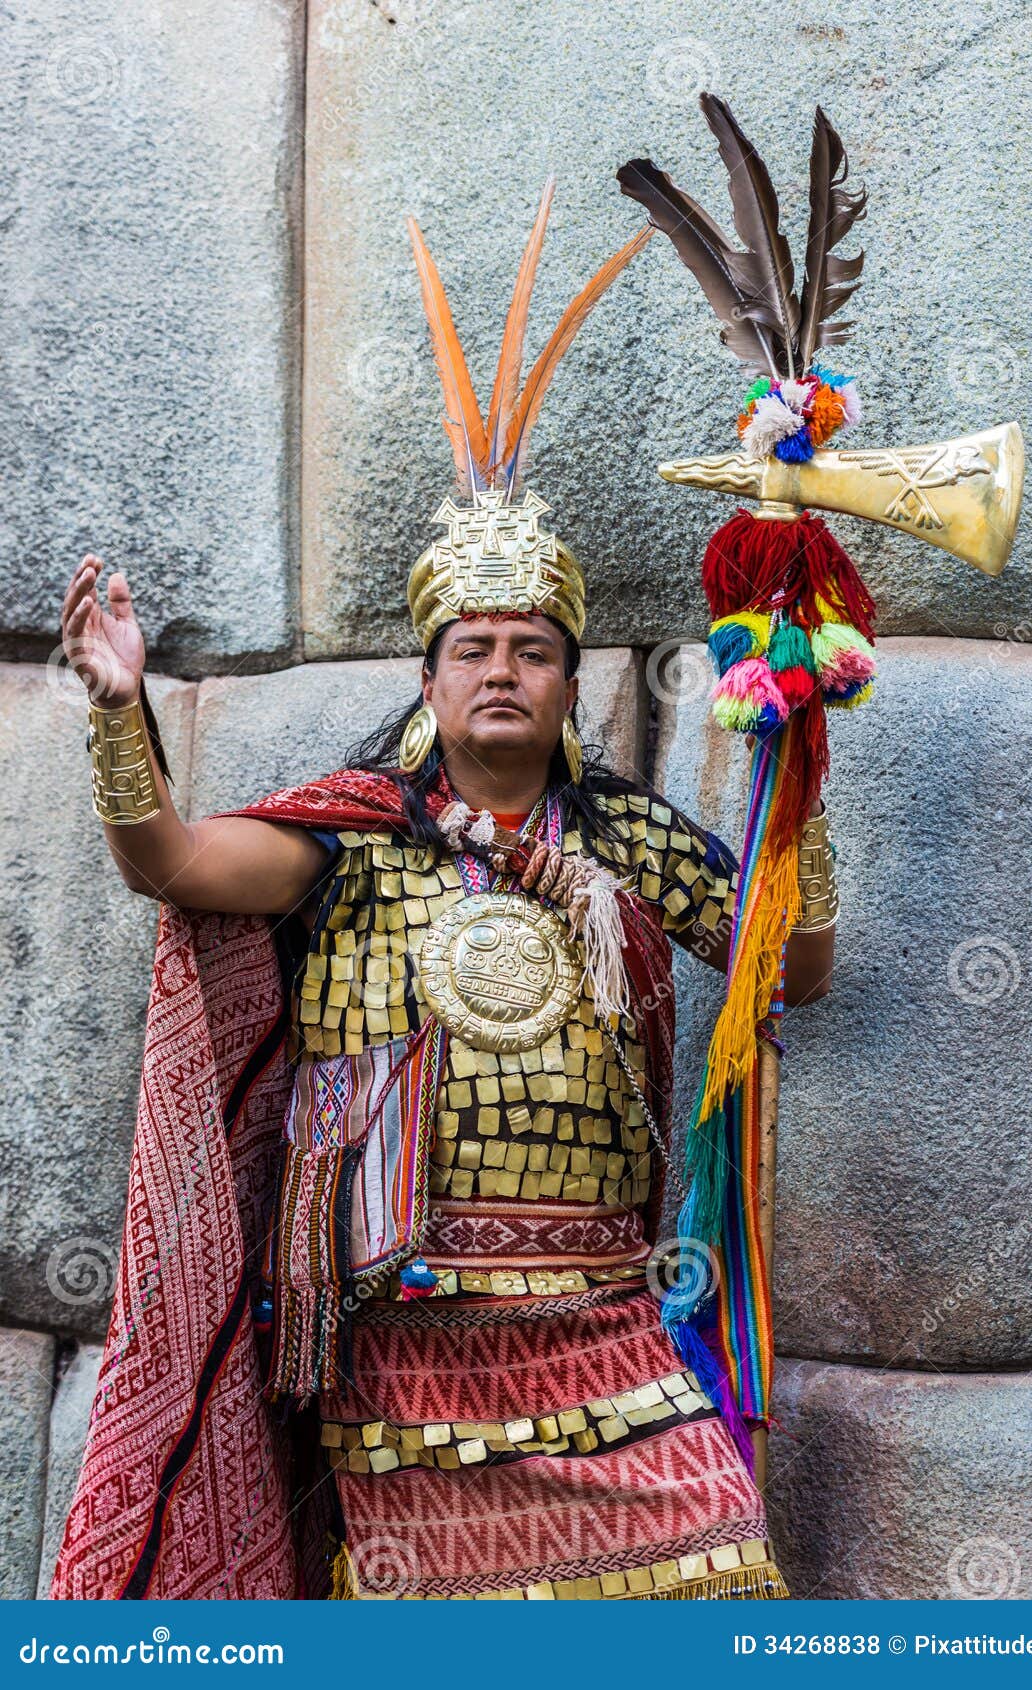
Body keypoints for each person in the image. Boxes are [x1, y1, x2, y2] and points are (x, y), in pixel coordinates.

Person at [51, 192, 836, 1601]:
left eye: (533, 647)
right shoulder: (350, 845)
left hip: (607, 1316)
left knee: (723, 1577)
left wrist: (802, 775)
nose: (501, 668)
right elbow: (170, 862)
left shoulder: (637, 848)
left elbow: (797, 969)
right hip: (406, 1333)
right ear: (427, 675)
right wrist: (120, 710)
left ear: (570, 677)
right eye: (471, 644)